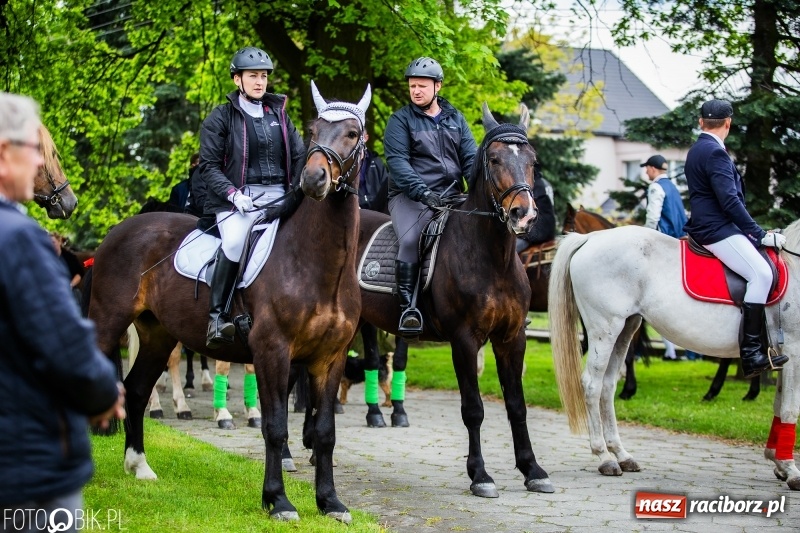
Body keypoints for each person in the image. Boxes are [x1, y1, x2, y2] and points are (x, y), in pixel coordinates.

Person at [0, 92, 126, 532]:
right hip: (25, 464)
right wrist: (104, 392)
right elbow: (64, 344)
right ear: (4, 154)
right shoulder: (17, 237)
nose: (41, 164)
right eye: (36, 151)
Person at [199, 46, 305, 348]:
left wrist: (294, 193)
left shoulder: (280, 116)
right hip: (238, 198)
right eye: (253, 76)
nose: (260, 82)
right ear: (237, 80)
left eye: (263, 76)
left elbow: (299, 157)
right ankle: (218, 317)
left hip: (280, 196)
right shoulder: (221, 117)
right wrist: (233, 194)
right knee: (234, 241)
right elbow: (208, 166)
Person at [684, 98, 788, 378]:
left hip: (710, 225)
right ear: (728, 123)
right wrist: (759, 234)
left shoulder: (697, 149)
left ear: (701, 122)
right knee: (762, 274)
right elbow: (730, 202)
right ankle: (753, 354)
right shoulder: (715, 153)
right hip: (717, 229)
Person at [384, 56, 477, 334]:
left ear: (438, 86)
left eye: (422, 86)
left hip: (452, 197)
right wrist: (423, 192)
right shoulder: (399, 120)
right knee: (412, 238)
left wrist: (478, 188)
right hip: (410, 197)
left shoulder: (456, 118)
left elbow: (471, 158)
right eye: (412, 86)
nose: (416, 91)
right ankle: (408, 308)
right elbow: (398, 164)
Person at [641, 154, 688, 361]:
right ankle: (670, 351)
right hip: (679, 242)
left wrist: (642, 241)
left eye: (647, 168)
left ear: (653, 169)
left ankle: (671, 350)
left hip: (663, 243)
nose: (645, 172)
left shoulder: (656, 187)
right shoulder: (673, 187)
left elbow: (653, 218)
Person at [515, 163, 556, 253]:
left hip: (538, 229)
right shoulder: (545, 183)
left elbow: (527, 210)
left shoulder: (533, 185)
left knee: (508, 252)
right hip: (548, 227)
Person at [358, 132, 389, 214]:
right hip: (356, 211)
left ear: (366, 138)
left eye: (359, 136)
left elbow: (386, 189)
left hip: (379, 211)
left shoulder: (376, 162)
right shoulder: (346, 165)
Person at [170, 152, 204, 217]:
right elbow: (172, 213)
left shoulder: (211, 186)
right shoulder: (178, 189)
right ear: (193, 165)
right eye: (199, 164)